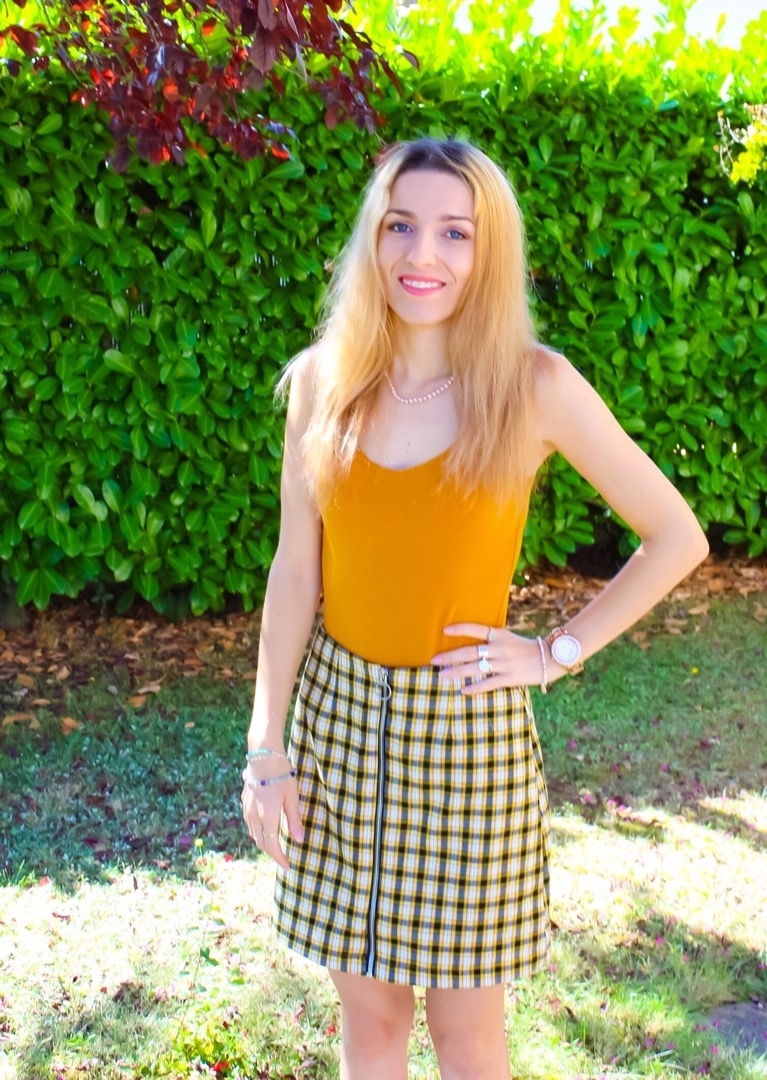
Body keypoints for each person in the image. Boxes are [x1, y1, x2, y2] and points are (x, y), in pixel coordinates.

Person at [240, 137, 709, 1080]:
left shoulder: (533, 386)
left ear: (487, 251)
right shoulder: (324, 382)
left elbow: (676, 536)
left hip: (467, 734)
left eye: (455, 233)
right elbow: (295, 571)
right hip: (335, 728)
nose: (424, 254)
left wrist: (554, 651)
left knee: (465, 1037)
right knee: (370, 1025)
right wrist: (265, 747)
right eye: (401, 226)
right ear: (373, 240)